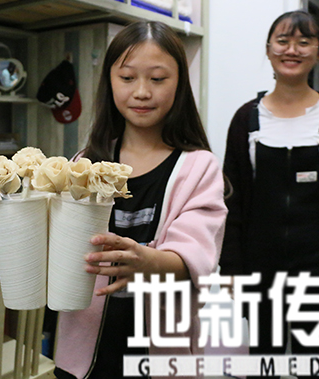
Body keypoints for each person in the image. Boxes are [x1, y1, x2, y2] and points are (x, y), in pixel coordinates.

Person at [53, 21, 228, 379]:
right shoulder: (85, 162)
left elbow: (194, 257)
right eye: (127, 78)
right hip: (81, 351)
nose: (142, 92)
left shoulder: (198, 167)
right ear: (110, 81)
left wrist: (145, 260)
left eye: (158, 79)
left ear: (180, 84)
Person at [219, 10, 319, 378]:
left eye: (304, 42)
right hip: (260, 273)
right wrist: (231, 271)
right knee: (264, 364)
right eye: (283, 41)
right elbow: (230, 203)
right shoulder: (246, 119)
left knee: (314, 367)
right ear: (268, 49)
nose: (292, 50)